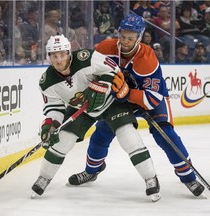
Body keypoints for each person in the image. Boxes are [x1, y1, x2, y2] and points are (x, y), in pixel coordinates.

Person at [68, 14, 205, 197]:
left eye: (130, 38)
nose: (125, 41)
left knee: (165, 135)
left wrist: (129, 93)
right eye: (123, 36)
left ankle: (188, 177)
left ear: (139, 38)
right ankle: (92, 170)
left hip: (151, 98)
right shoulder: (105, 48)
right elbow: (89, 71)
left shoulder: (147, 58)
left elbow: (152, 99)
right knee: (102, 133)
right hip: (120, 99)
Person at [31, 34, 161, 202]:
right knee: (62, 140)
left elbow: (113, 69)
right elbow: (54, 108)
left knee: (127, 135)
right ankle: (44, 178)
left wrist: (101, 86)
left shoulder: (86, 57)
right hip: (81, 109)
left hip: (111, 101)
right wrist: (51, 125)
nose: (59, 60)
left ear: (69, 53)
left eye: (62, 54)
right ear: (49, 57)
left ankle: (150, 178)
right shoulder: (46, 82)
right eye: (54, 56)